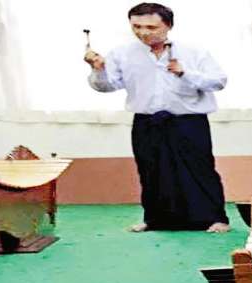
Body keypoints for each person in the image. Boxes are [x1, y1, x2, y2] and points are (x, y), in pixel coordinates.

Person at [84, 2, 230, 233]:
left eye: (151, 27)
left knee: (199, 170)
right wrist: (98, 69)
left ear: (168, 25)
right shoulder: (122, 53)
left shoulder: (194, 52)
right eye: (137, 27)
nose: (143, 32)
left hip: (188, 121)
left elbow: (219, 81)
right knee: (150, 171)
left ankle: (215, 219)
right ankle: (155, 220)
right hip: (146, 121)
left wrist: (185, 72)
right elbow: (106, 86)